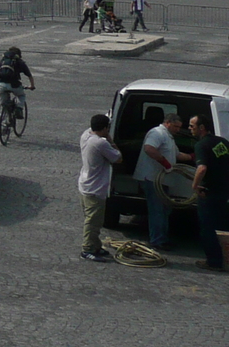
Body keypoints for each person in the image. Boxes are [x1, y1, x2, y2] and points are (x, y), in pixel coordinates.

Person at [133, 111, 185, 249]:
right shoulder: (157, 133)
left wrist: (194, 156)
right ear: (167, 123)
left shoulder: (169, 137)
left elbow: (177, 155)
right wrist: (165, 163)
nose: (178, 130)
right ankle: (157, 240)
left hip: (162, 180)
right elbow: (149, 149)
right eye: (176, 126)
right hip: (152, 178)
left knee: (164, 209)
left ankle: (162, 238)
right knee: (157, 209)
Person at [77, 113, 122, 261]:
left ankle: (95, 246)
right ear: (104, 128)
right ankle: (87, 249)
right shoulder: (100, 143)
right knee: (93, 222)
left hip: (85, 184)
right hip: (95, 188)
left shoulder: (86, 135)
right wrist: (110, 140)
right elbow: (118, 158)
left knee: (94, 219)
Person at [189, 114, 229, 272]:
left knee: (208, 227)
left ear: (201, 128)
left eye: (192, 126)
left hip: (209, 192)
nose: (189, 129)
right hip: (224, 191)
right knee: (222, 226)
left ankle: (213, 261)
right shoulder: (222, 142)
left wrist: (195, 186)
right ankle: (224, 258)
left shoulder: (201, 145)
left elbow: (202, 168)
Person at [0, 46, 34, 122]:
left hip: (1, 85)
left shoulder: (3, 60)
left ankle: (4, 124)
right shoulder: (19, 62)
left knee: (4, 104)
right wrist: (32, 86)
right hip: (14, 85)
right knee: (21, 95)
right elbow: (29, 75)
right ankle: (18, 109)